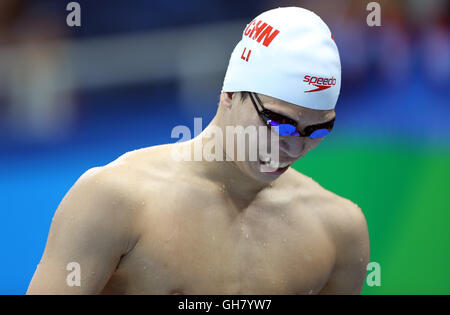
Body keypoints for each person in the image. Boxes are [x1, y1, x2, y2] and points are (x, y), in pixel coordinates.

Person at [27, 7, 369, 295]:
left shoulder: (338, 231)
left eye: (318, 130)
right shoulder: (114, 201)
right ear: (230, 95)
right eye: (279, 122)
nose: (293, 146)